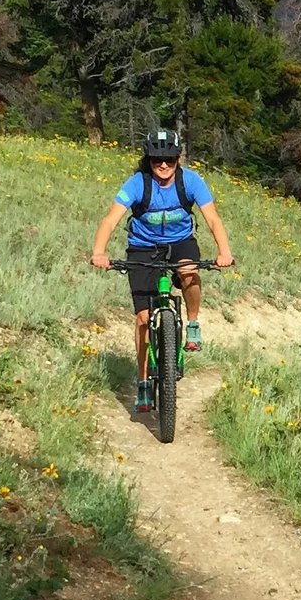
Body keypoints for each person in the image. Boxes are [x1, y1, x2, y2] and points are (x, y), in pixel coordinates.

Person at [90, 127, 234, 412]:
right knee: (143, 320)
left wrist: (224, 252)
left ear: (178, 158)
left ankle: (192, 324)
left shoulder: (191, 182)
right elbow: (110, 220)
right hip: (143, 247)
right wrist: (99, 252)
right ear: (149, 160)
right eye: (157, 160)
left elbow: (213, 219)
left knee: (189, 270)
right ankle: (143, 382)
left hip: (180, 243)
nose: (164, 165)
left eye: (169, 159)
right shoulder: (137, 184)